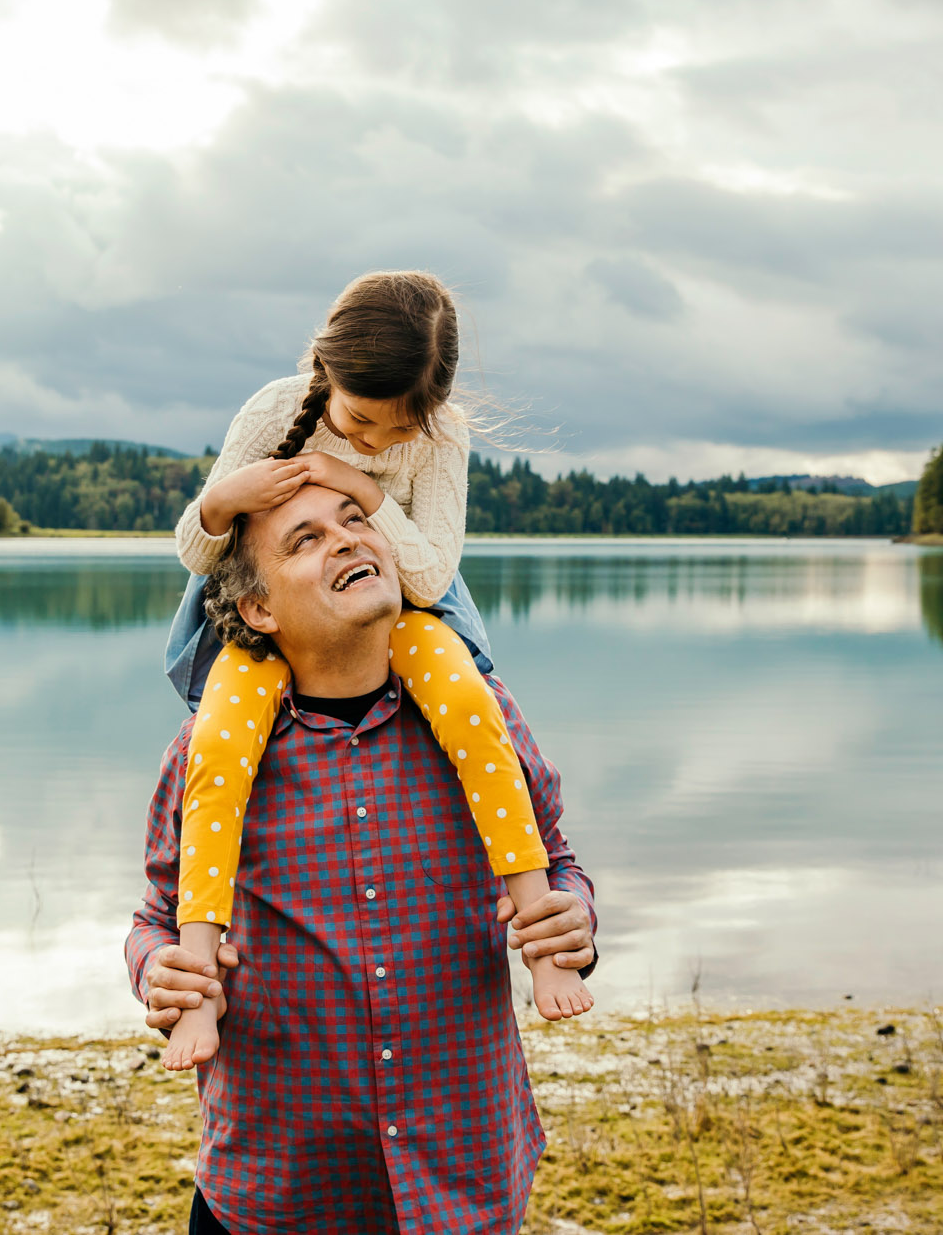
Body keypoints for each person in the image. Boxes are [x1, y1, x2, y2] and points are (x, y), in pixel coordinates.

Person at [126, 479, 599, 1234]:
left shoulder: (487, 716)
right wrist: (157, 967)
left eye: (357, 520)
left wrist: (575, 917)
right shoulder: (204, 756)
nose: (347, 538)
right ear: (259, 609)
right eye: (305, 539)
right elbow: (156, 917)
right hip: (273, 1192)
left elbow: (559, 861)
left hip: (463, 1180)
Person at [161, 270, 590, 1072]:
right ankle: (198, 978)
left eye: (397, 432)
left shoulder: (441, 438)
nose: (375, 443)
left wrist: (362, 490)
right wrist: (227, 501)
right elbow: (198, 547)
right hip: (262, 622)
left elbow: (429, 575)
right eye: (360, 422)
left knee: (469, 706)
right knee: (218, 751)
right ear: (327, 370)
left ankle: (541, 930)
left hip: (407, 611)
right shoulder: (270, 411)